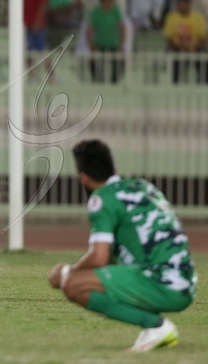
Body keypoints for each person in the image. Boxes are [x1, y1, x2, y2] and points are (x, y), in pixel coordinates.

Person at [49, 139, 196, 352]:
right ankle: (153, 326)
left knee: (72, 284)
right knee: (105, 273)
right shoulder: (143, 186)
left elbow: (99, 257)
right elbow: (111, 257)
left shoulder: (101, 199)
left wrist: (66, 272)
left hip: (163, 283)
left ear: (84, 177)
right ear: (115, 169)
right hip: (186, 284)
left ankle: (155, 326)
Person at [163, 0, 207, 83]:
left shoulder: (198, 17)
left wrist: (194, 48)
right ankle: (174, 85)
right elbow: (169, 39)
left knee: (204, 59)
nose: (179, 6)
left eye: (182, 3)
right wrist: (180, 47)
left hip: (195, 50)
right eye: (178, 4)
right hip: (177, 50)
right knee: (173, 61)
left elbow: (203, 38)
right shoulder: (171, 17)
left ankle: (203, 85)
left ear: (188, 3)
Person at [87, 0, 125, 83]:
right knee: (96, 68)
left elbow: (122, 28)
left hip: (113, 45)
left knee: (117, 68)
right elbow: (89, 30)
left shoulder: (115, 11)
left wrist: (121, 44)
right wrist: (91, 45)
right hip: (99, 46)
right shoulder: (96, 12)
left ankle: (114, 85)